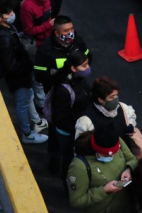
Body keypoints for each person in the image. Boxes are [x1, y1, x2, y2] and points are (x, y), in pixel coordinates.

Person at [0, 0, 49, 144]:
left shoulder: (2, 29)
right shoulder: (4, 38)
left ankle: (35, 123)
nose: (12, 15)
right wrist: (28, 67)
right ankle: (27, 134)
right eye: (8, 13)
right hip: (19, 77)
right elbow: (10, 65)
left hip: (20, 75)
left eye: (11, 11)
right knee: (22, 103)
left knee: (28, 98)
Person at [67, 125, 138, 212]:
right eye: (106, 155)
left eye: (114, 153)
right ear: (96, 150)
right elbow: (77, 200)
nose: (111, 156)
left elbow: (132, 159)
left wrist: (128, 169)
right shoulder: (79, 166)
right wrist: (104, 190)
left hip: (124, 206)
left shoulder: (115, 140)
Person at [49, 47, 93, 182]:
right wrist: (77, 128)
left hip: (73, 126)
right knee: (68, 160)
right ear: (74, 68)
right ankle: (66, 184)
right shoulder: (65, 89)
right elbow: (60, 117)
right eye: (84, 65)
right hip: (67, 131)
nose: (88, 68)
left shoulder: (77, 80)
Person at [74, 77, 138, 149]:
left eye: (116, 95)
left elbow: (131, 115)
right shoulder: (86, 121)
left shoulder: (122, 107)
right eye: (112, 97)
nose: (116, 99)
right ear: (100, 100)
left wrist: (131, 124)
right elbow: (80, 145)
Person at [35, 15, 90, 90]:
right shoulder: (46, 50)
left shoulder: (77, 40)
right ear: (57, 33)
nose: (70, 33)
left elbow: (87, 55)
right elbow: (40, 75)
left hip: (78, 81)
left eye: (71, 29)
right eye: (66, 31)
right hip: (58, 88)